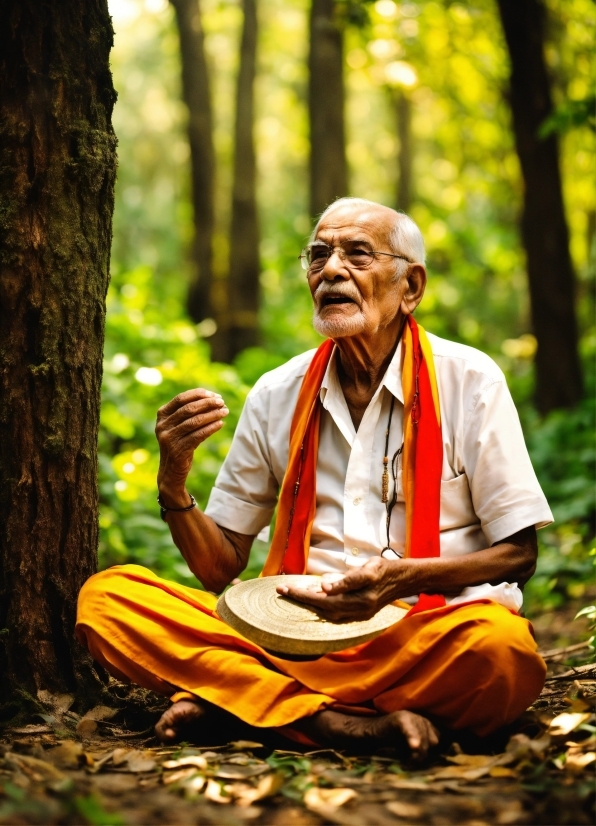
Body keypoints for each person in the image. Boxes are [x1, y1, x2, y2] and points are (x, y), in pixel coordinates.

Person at [76, 198, 552, 759]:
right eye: (319, 254)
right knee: (106, 601)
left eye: (357, 254)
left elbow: (517, 554)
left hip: (421, 635)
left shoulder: (470, 380)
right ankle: (339, 727)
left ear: (411, 287)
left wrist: (397, 581)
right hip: (286, 636)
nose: (330, 270)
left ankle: (246, 704)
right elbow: (218, 566)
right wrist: (174, 483)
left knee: (501, 655)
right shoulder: (278, 392)